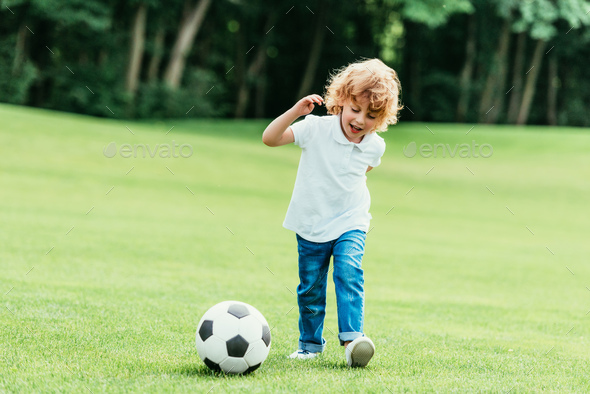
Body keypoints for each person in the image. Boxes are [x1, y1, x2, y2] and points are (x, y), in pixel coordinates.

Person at [262, 58, 402, 367]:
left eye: (372, 115)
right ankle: (310, 344)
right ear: (340, 101)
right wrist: (295, 113)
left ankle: (353, 340)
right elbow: (270, 139)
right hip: (311, 223)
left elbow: (358, 174)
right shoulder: (315, 128)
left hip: (351, 221)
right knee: (310, 288)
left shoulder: (375, 146)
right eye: (356, 109)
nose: (361, 120)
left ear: (382, 119)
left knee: (348, 271)